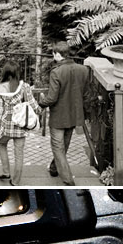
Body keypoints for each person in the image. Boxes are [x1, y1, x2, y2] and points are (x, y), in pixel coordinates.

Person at [39, 43, 92, 187]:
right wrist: (86, 113)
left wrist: (40, 104)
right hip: (75, 114)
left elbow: (52, 98)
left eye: (53, 53)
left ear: (57, 54)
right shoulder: (83, 70)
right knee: (64, 144)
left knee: (58, 147)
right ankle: (54, 168)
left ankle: (68, 180)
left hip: (58, 116)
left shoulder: (56, 72)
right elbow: (87, 94)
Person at [0, 61, 41, 186]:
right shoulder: (24, 87)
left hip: (6, 125)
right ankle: (15, 181)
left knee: (2, 144)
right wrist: (39, 110)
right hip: (20, 125)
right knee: (19, 154)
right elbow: (32, 104)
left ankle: (6, 172)